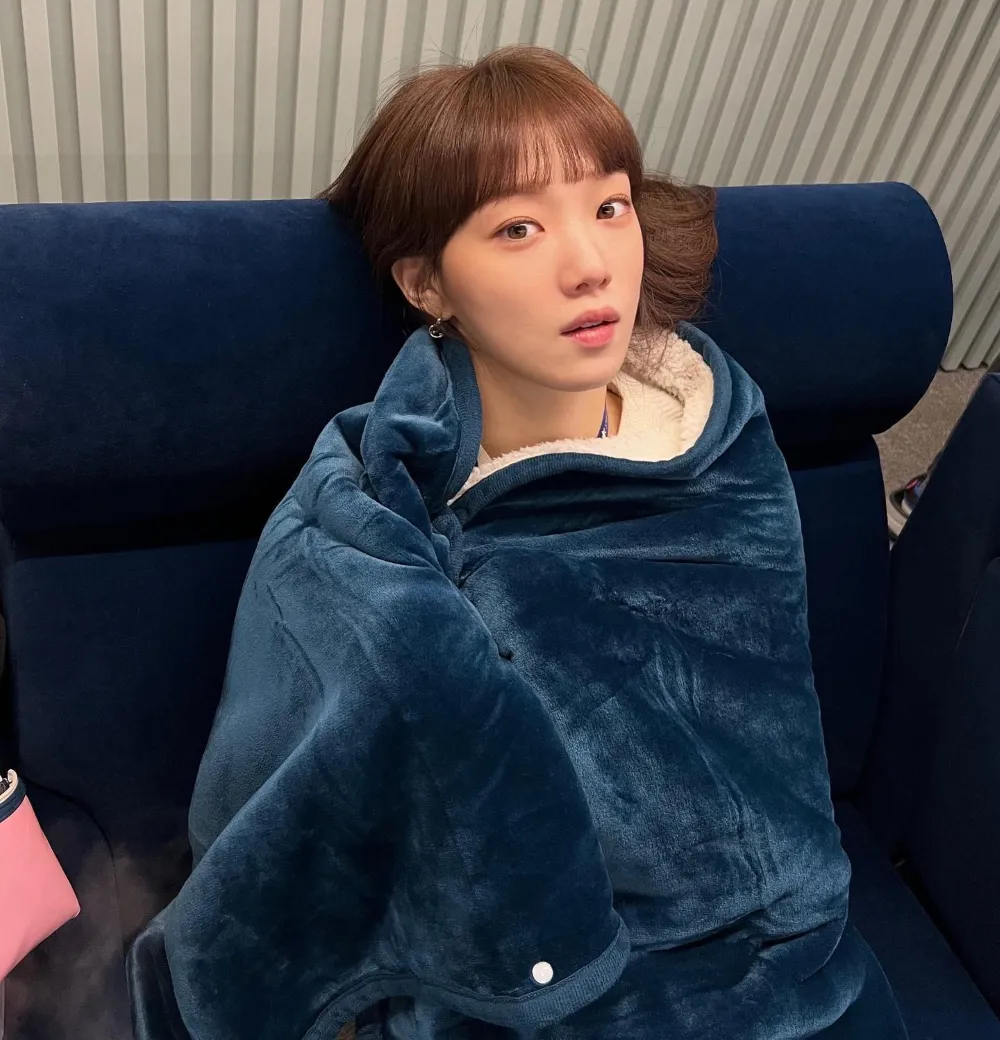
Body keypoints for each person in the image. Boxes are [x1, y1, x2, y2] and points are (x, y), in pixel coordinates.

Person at [127, 46, 908, 1039]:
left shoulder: (725, 438)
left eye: (609, 206)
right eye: (518, 228)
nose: (589, 264)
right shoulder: (366, 525)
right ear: (428, 284)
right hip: (544, 977)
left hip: (790, 938)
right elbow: (283, 799)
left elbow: (769, 734)